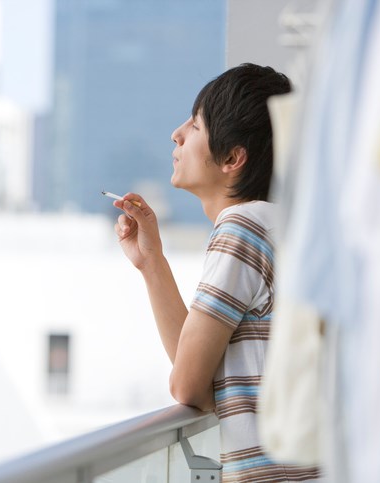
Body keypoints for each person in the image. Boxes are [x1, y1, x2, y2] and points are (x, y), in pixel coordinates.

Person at [111, 63, 321, 482]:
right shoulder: (283, 225)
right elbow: (201, 380)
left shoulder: (243, 227)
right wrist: (152, 264)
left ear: (232, 157)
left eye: (196, 124)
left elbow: (188, 387)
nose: (177, 133)